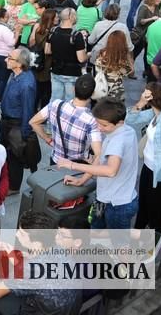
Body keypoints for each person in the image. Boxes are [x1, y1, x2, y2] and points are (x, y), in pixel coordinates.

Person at [0, 211, 80, 314]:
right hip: (69, 305)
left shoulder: (28, 269)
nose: (17, 234)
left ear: (37, 243)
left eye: (22, 233)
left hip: (40, 310)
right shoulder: (59, 246)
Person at [57, 98, 139, 230]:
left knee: (117, 246)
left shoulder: (118, 141)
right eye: (98, 123)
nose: (99, 128)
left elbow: (111, 171)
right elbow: (100, 158)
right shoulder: (126, 130)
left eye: (104, 125)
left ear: (119, 122)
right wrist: (81, 180)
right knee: (95, 234)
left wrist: (72, 165)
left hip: (117, 205)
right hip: (108, 199)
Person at [126, 84, 161, 232]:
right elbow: (129, 119)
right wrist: (141, 103)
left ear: (153, 97)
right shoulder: (154, 113)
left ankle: (156, 243)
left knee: (154, 212)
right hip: (148, 168)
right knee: (143, 205)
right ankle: (138, 232)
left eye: (145, 93)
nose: (143, 94)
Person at [29, 74, 101, 167]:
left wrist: (48, 140)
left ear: (73, 89)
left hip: (56, 161)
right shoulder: (91, 121)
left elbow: (33, 122)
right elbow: (98, 155)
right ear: (92, 94)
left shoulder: (56, 105)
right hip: (78, 166)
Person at [0, 47, 38, 194]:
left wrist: (24, 134)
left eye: (9, 58)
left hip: (15, 125)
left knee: (15, 156)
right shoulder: (14, 74)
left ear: (20, 63)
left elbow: (28, 110)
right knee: (7, 155)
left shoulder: (26, 84)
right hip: (7, 122)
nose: (5, 60)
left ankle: (14, 187)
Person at [46, 8, 87, 102]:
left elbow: (47, 51)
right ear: (71, 18)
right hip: (72, 73)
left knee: (55, 99)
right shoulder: (76, 35)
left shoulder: (53, 31)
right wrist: (88, 55)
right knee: (70, 101)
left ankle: (53, 116)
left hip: (56, 70)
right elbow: (81, 59)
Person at [95, 31, 132, 102]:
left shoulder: (101, 54)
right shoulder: (122, 59)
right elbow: (130, 72)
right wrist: (129, 57)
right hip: (116, 92)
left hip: (101, 89)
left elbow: (97, 68)